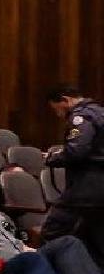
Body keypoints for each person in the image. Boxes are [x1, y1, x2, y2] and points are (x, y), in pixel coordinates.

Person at [43, 84, 104, 259]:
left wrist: (52, 158)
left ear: (65, 100)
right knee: (96, 240)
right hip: (99, 188)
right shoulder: (100, 113)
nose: (59, 115)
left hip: (86, 187)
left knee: (53, 231)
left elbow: (77, 151)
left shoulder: (81, 117)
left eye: (57, 110)